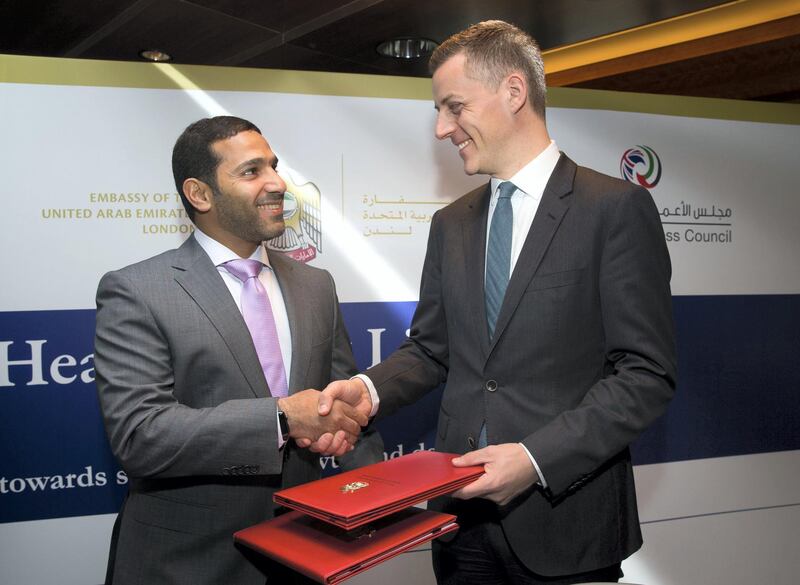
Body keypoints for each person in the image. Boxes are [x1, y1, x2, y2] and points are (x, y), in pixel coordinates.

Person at [314, 20, 677, 584]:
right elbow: (434, 350)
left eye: (454, 107)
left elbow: (645, 374)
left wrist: (533, 460)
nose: (441, 129)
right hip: (460, 523)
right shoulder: (451, 223)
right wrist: (366, 392)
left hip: (567, 525)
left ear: (514, 92)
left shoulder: (613, 209)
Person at [94, 115, 381, 585]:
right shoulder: (137, 290)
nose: (277, 183)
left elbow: (341, 400)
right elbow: (139, 435)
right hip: (187, 562)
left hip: (306, 552)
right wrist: (284, 418)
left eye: (273, 166)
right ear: (200, 194)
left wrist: (370, 492)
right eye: (251, 172)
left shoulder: (316, 285)